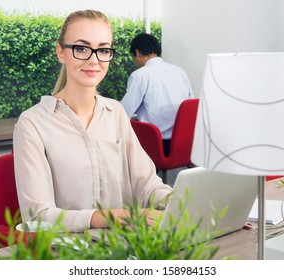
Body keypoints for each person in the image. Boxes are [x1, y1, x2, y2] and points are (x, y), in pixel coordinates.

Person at [13, 10, 172, 233]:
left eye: (103, 50)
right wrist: (116, 217)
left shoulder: (115, 112)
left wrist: (179, 203)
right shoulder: (32, 124)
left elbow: (146, 184)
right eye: (81, 48)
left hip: (124, 245)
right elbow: (38, 215)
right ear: (61, 52)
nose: (94, 60)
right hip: (67, 250)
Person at [120, 33, 194, 156]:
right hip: (185, 143)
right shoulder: (180, 72)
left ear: (137, 53)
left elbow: (123, 113)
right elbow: (190, 109)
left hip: (157, 144)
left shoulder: (140, 75)